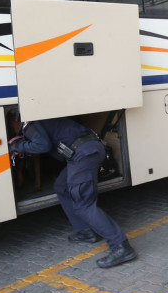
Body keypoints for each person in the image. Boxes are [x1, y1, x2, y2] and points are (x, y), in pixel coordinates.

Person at [8, 114, 136, 269]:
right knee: (61, 187)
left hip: (83, 154)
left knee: (84, 204)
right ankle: (85, 231)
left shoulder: (29, 125)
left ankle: (121, 247)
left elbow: (42, 145)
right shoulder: (41, 118)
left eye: (11, 125)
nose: (13, 129)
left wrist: (17, 146)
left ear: (15, 120)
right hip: (85, 151)